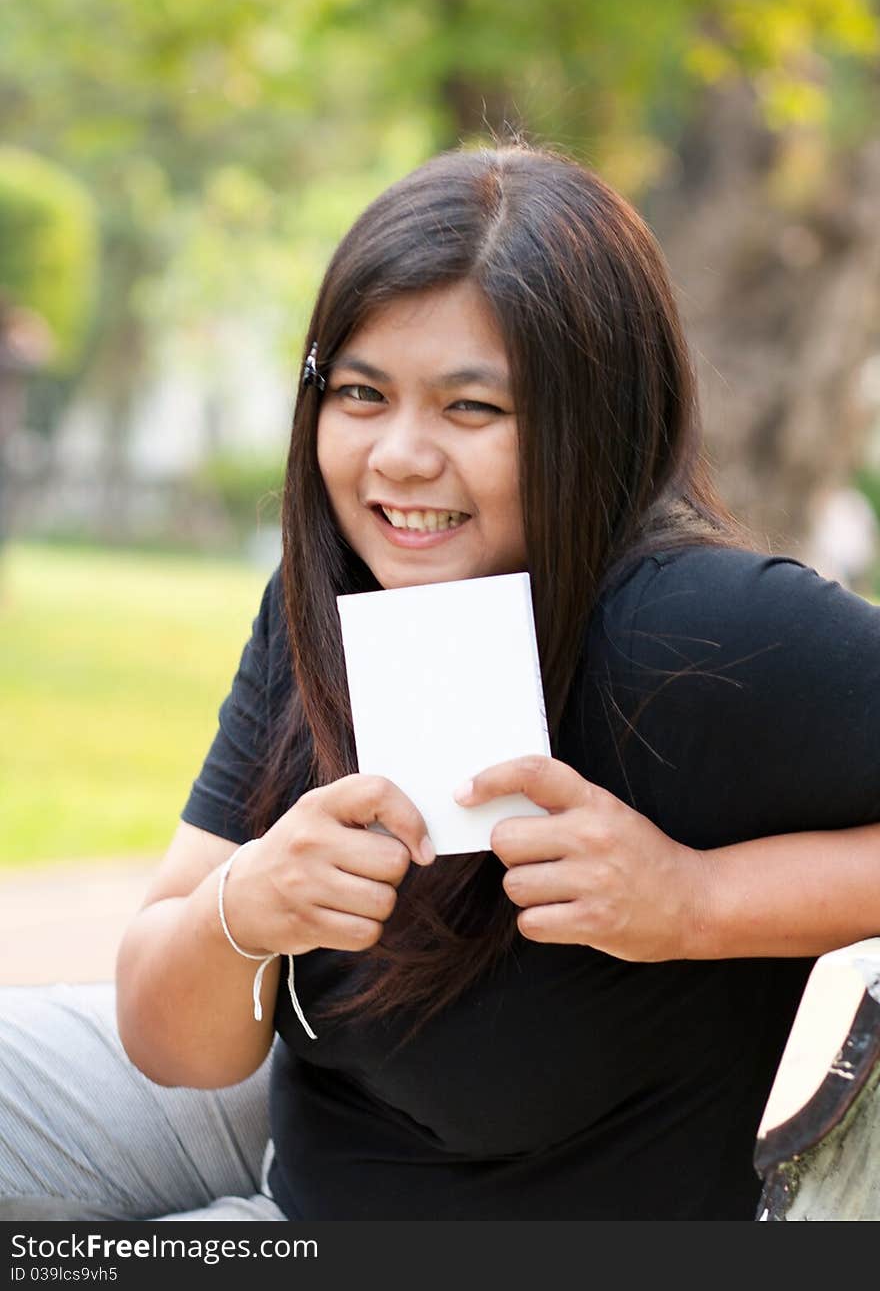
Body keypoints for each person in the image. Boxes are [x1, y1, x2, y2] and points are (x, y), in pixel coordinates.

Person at [3, 141, 880, 1223]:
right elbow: (171, 1036)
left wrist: (695, 903)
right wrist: (249, 911)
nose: (398, 458)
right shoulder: (326, 596)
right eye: (362, 393)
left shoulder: (705, 630)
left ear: (594, 417)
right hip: (293, 1112)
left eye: (471, 409)